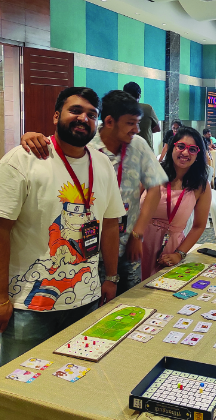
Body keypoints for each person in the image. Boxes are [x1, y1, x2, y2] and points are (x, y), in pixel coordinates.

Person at [0, 86, 126, 360]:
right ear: (56, 115)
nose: (84, 118)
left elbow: (109, 224)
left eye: (92, 114)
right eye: (75, 111)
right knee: (18, 385)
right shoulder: (23, 159)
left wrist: (111, 277)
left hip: (86, 299)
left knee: (75, 378)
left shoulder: (103, 164)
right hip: (28, 305)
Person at [16, 90, 166, 288]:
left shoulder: (138, 145)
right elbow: (57, 147)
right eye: (131, 123)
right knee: (94, 302)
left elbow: (155, 186)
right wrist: (32, 137)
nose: (137, 130)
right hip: (89, 246)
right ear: (110, 121)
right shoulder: (85, 144)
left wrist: (137, 234)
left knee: (132, 300)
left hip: (128, 242)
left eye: (138, 123)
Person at [129, 127, 211, 277]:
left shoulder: (201, 185)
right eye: (181, 146)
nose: (185, 153)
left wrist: (179, 254)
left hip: (171, 250)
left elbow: (199, 226)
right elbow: (130, 206)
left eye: (192, 149)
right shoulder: (152, 173)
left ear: (198, 155)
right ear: (172, 147)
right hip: (138, 243)